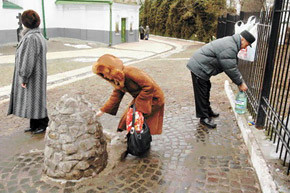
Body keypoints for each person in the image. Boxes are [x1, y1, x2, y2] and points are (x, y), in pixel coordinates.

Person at [186, 30, 256, 129]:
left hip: (203, 67)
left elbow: (231, 64)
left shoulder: (231, 43)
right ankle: (203, 118)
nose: (245, 47)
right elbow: (230, 68)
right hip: (199, 67)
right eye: (247, 45)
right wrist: (240, 83)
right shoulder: (230, 46)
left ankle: (207, 111)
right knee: (201, 93)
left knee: (206, 88)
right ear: (243, 40)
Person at [92, 54, 165, 135]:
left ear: (111, 70)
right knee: (127, 122)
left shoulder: (130, 71)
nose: (104, 76)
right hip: (141, 98)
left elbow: (149, 86)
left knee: (134, 122)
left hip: (153, 97)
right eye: (102, 75)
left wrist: (139, 107)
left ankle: (136, 143)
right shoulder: (118, 79)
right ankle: (130, 140)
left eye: (104, 73)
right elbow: (116, 95)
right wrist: (102, 111)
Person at [7, 10, 49, 134]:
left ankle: (43, 124)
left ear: (25, 23)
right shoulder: (38, 35)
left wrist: (24, 77)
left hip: (33, 75)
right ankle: (35, 125)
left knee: (35, 100)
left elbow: (27, 60)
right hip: (38, 74)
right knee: (34, 100)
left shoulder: (31, 37)